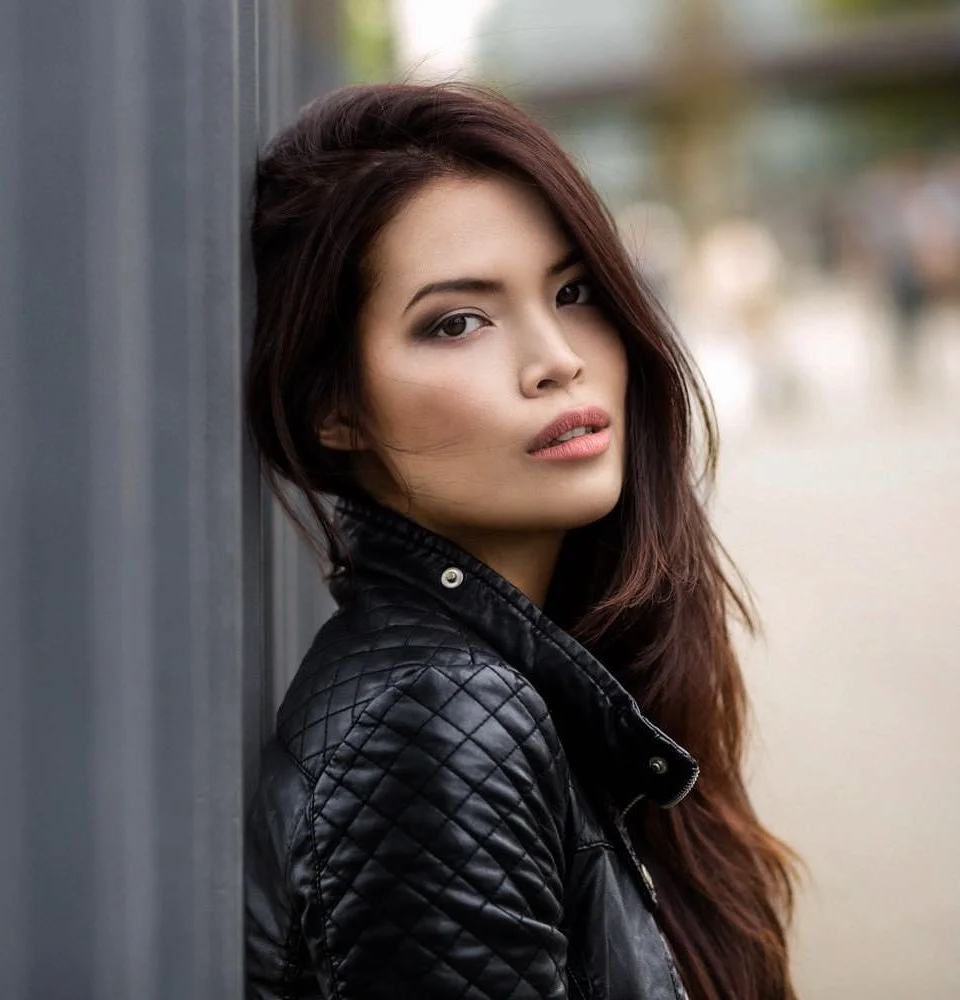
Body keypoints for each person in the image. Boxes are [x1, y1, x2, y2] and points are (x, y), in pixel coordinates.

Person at [242, 83, 798, 1000]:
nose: (557, 358)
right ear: (334, 408)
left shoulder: (503, 677)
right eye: (457, 321)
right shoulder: (440, 720)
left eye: (574, 292)